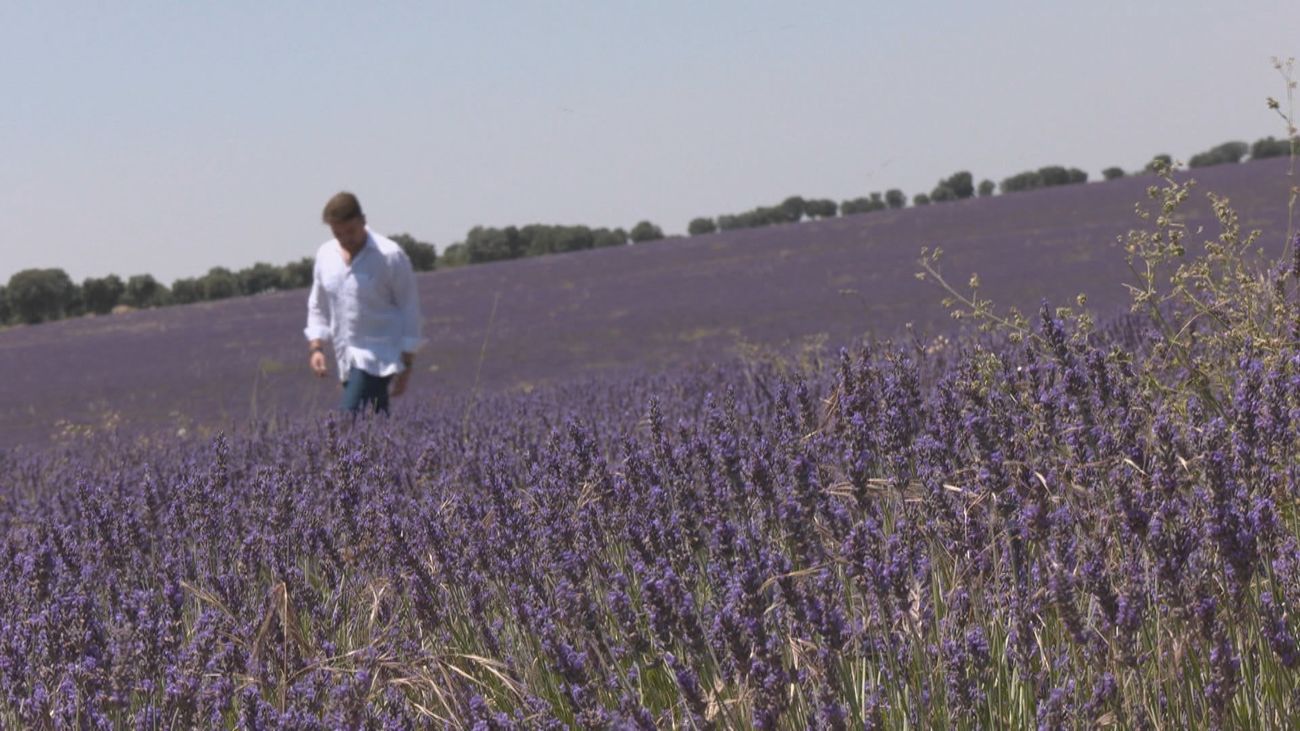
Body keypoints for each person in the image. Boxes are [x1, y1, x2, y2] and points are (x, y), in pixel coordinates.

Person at [304, 192, 424, 414]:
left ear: (363, 220)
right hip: (345, 359)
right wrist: (316, 348)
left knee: (346, 421)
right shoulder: (325, 256)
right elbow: (317, 305)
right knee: (375, 425)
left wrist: (407, 363)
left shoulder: (390, 255)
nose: (345, 239)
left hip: (381, 355)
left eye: (350, 231)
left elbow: (409, 308)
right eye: (338, 233)